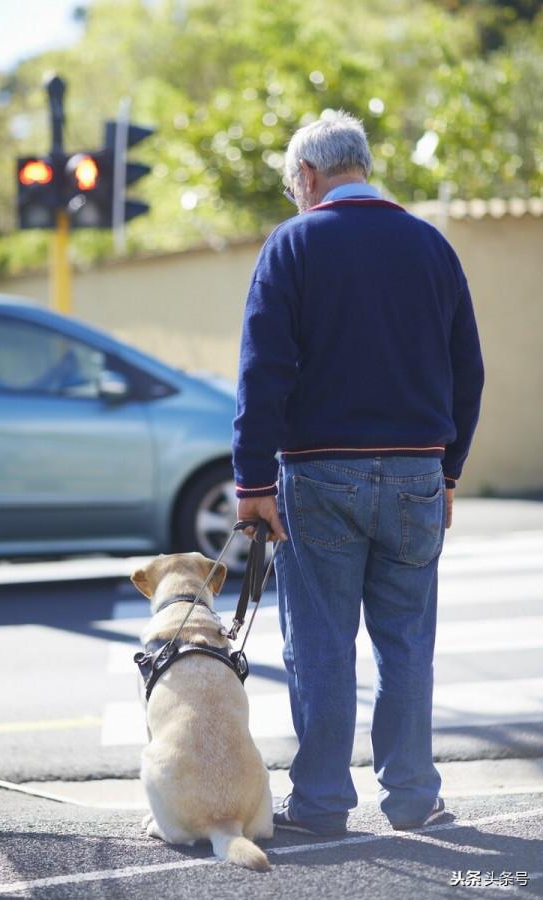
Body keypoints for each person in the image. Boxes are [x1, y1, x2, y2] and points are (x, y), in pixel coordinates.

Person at [232, 111, 484, 836]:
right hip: (416, 474)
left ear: (308, 175)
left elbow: (263, 370)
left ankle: (320, 804)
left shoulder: (293, 244)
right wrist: (449, 473)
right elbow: (468, 372)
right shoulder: (431, 245)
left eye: (293, 186)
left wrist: (252, 485)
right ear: (361, 166)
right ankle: (414, 799)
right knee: (405, 643)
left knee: (319, 644)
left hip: (318, 475)